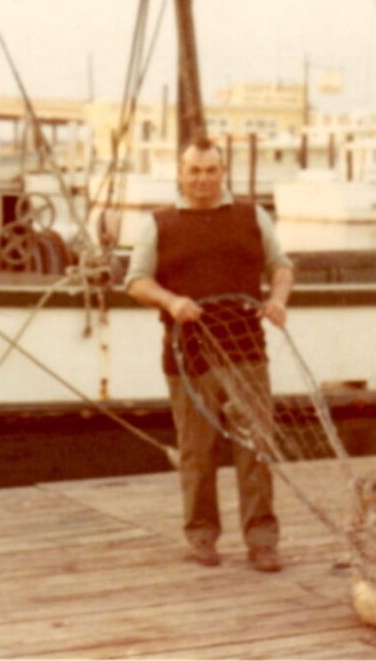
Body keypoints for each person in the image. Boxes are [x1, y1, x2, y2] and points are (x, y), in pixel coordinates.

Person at [126, 136, 294, 571]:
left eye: (210, 170)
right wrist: (171, 302)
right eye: (194, 171)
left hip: (246, 352)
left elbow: (281, 266)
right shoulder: (159, 224)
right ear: (181, 174)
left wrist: (278, 300)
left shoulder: (252, 216)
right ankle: (201, 536)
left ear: (223, 172)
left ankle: (262, 541)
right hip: (188, 356)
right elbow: (137, 281)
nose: (202, 179)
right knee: (197, 453)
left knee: (256, 448)